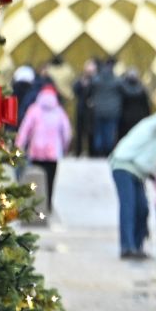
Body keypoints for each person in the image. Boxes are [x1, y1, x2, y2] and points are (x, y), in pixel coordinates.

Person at [107, 104, 156, 260]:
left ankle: (137, 245)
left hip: (138, 171)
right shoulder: (152, 126)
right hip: (123, 166)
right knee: (129, 207)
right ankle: (127, 247)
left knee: (142, 208)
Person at [13, 84, 72, 215]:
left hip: (36, 152)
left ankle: (36, 205)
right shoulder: (59, 111)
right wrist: (65, 147)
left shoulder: (34, 110)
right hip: (53, 153)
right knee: (50, 180)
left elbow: (25, 130)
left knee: (35, 179)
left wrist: (19, 146)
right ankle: (48, 205)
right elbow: (67, 132)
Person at [89, 60, 124, 157]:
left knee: (99, 133)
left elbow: (91, 84)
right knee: (109, 133)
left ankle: (98, 152)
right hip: (113, 111)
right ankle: (107, 152)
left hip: (98, 111)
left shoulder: (97, 80)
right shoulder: (116, 81)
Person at [118, 68, 152, 146]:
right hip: (139, 116)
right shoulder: (142, 89)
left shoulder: (122, 88)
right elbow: (146, 105)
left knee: (126, 136)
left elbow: (121, 103)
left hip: (125, 117)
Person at [72, 59, 99, 158]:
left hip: (91, 111)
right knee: (79, 132)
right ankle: (78, 151)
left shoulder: (96, 80)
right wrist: (81, 84)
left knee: (91, 132)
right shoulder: (80, 80)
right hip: (81, 109)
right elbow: (75, 90)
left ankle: (91, 152)